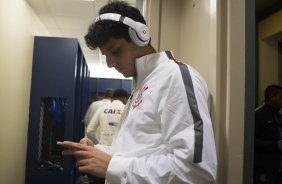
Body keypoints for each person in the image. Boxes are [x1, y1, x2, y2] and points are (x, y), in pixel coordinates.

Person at [62, 1, 217, 183]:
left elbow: (197, 171)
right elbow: (134, 151)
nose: (110, 63)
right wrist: (99, 152)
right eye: (105, 55)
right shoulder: (141, 86)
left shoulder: (175, 78)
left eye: (115, 51)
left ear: (140, 36)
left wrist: (112, 166)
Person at [254, 84, 282, 184]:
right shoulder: (257, 114)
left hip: (278, 170)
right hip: (263, 170)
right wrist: (275, 145)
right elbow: (250, 142)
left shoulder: (279, 116)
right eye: (280, 97)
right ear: (271, 97)